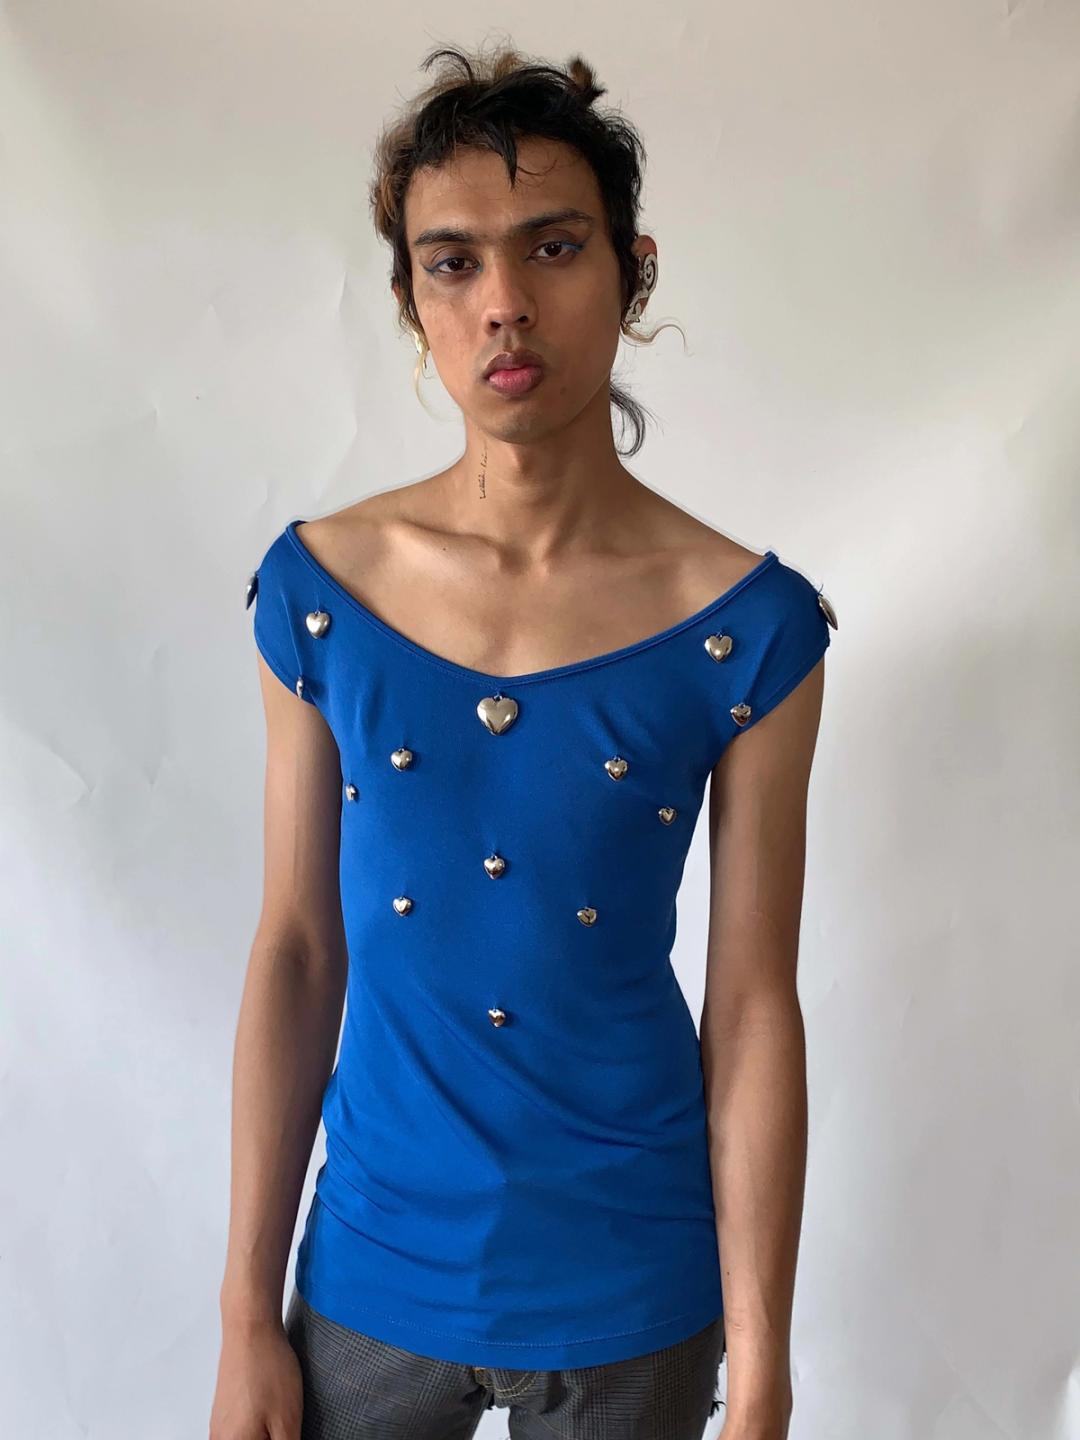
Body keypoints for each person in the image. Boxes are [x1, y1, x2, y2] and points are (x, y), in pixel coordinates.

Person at [210, 41, 836, 1440]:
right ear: (410, 299)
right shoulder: (322, 595)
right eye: (453, 263)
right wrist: (246, 1314)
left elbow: (752, 1006)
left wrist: (763, 1361)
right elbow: (297, 951)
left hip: (637, 1286)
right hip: (371, 1278)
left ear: (632, 271)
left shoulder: (749, 628)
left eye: (553, 246)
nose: (504, 303)